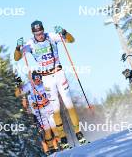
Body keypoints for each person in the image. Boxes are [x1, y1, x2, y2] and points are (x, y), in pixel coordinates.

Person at [14, 20, 86, 148]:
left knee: (68, 102)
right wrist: (18, 47)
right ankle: (63, 138)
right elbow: (17, 57)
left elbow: (71, 40)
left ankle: (79, 133)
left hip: (58, 73)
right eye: (37, 34)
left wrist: (64, 32)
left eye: (41, 32)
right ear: (33, 33)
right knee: (55, 108)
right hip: (46, 78)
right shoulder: (30, 43)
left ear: (43, 30)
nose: (40, 35)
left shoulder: (51, 36)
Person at [15, 71, 59, 155]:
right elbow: (23, 102)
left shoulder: (42, 87)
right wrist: (18, 84)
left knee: (52, 130)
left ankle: (56, 147)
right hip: (36, 116)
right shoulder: (27, 94)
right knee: (43, 135)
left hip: (45, 111)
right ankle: (48, 151)